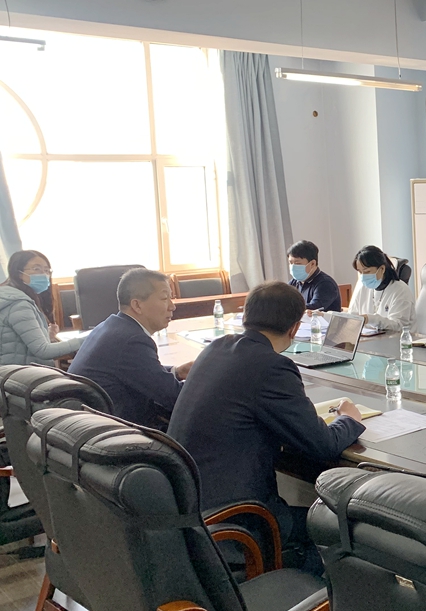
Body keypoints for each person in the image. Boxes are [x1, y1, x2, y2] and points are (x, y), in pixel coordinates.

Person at [167, 281, 365, 574]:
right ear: (294, 328)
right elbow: (322, 444)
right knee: (340, 528)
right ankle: (309, 596)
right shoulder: (272, 367)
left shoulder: (215, 348)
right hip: (238, 521)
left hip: (188, 509)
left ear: (246, 315)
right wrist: (350, 420)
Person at [68, 269, 192, 430]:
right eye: (164, 298)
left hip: (88, 425)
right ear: (137, 305)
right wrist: (210, 381)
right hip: (115, 433)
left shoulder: (111, 326)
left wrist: (176, 371)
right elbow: (174, 397)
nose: (172, 306)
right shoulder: (132, 341)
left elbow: (141, 373)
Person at [0, 250, 84, 366]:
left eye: (47, 270)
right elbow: (43, 351)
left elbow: (14, 342)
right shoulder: (19, 304)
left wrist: (46, 335)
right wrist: (89, 338)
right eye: (36, 269)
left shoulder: (9, 296)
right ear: (18, 273)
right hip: (21, 373)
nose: (44, 275)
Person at [346, 245, 415, 332]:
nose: (363, 276)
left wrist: (370, 319)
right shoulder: (362, 287)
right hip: (369, 338)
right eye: (360, 272)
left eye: (367, 271)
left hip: (398, 339)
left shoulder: (401, 290)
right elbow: (352, 317)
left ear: (382, 269)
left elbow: (399, 327)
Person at [288, 240, 341, 313]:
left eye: (298, 263)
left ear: (312, 263)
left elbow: (312, 309)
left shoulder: (326, 284)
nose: (293, 267)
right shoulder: (294, 282)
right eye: (290, 263)